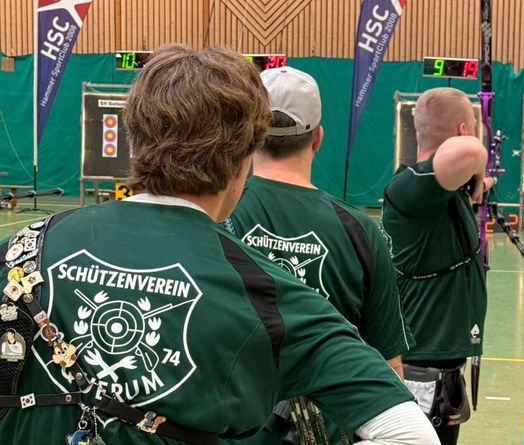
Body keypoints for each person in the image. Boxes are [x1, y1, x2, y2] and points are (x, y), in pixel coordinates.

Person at [0, 44, 438, 445]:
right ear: (244, 158)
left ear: (134, 139)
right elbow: (409, 435)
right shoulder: (269, 294)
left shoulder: (21, 249)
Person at [228, 66, 413, 443]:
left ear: (250, 137)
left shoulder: (219, 217)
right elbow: (388, 371)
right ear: (318, 139)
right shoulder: (360, 231)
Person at [381, 87, 494, 445]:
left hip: (439, 367)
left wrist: (481, 182)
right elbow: (471, 151)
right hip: (419, 368)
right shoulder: (412, 188)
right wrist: (476, 165)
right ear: (462, 130)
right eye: (474, 126)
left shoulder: (439, 190)